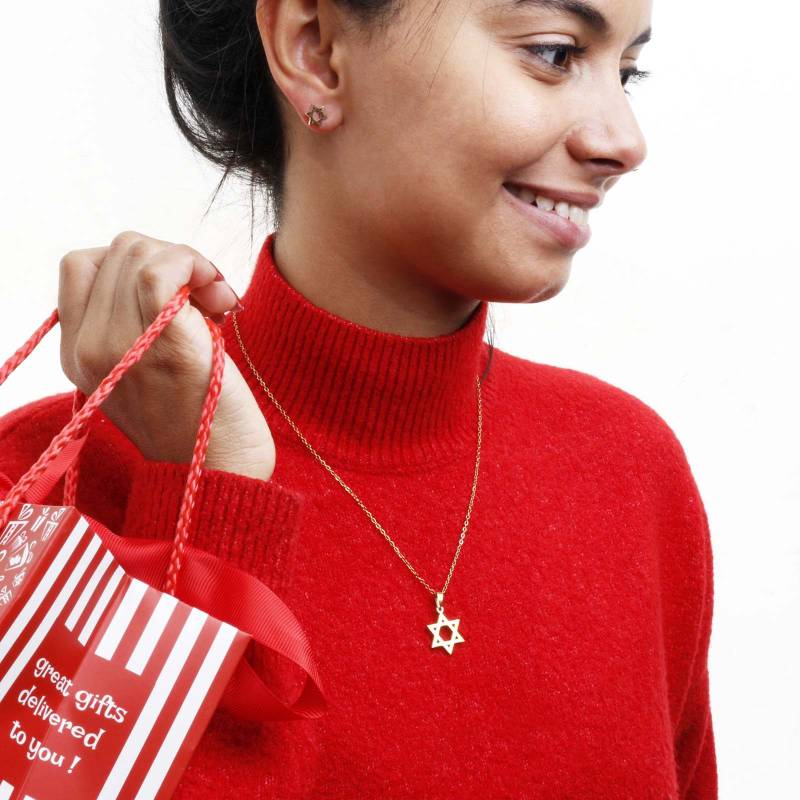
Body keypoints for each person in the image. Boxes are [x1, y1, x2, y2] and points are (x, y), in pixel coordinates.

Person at [0, 0, 718, 796]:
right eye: (554, 53)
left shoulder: (630, 472)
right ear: (315, 50)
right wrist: (207, 511)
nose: (623, 141)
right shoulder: (38, 492)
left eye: (628, 71)